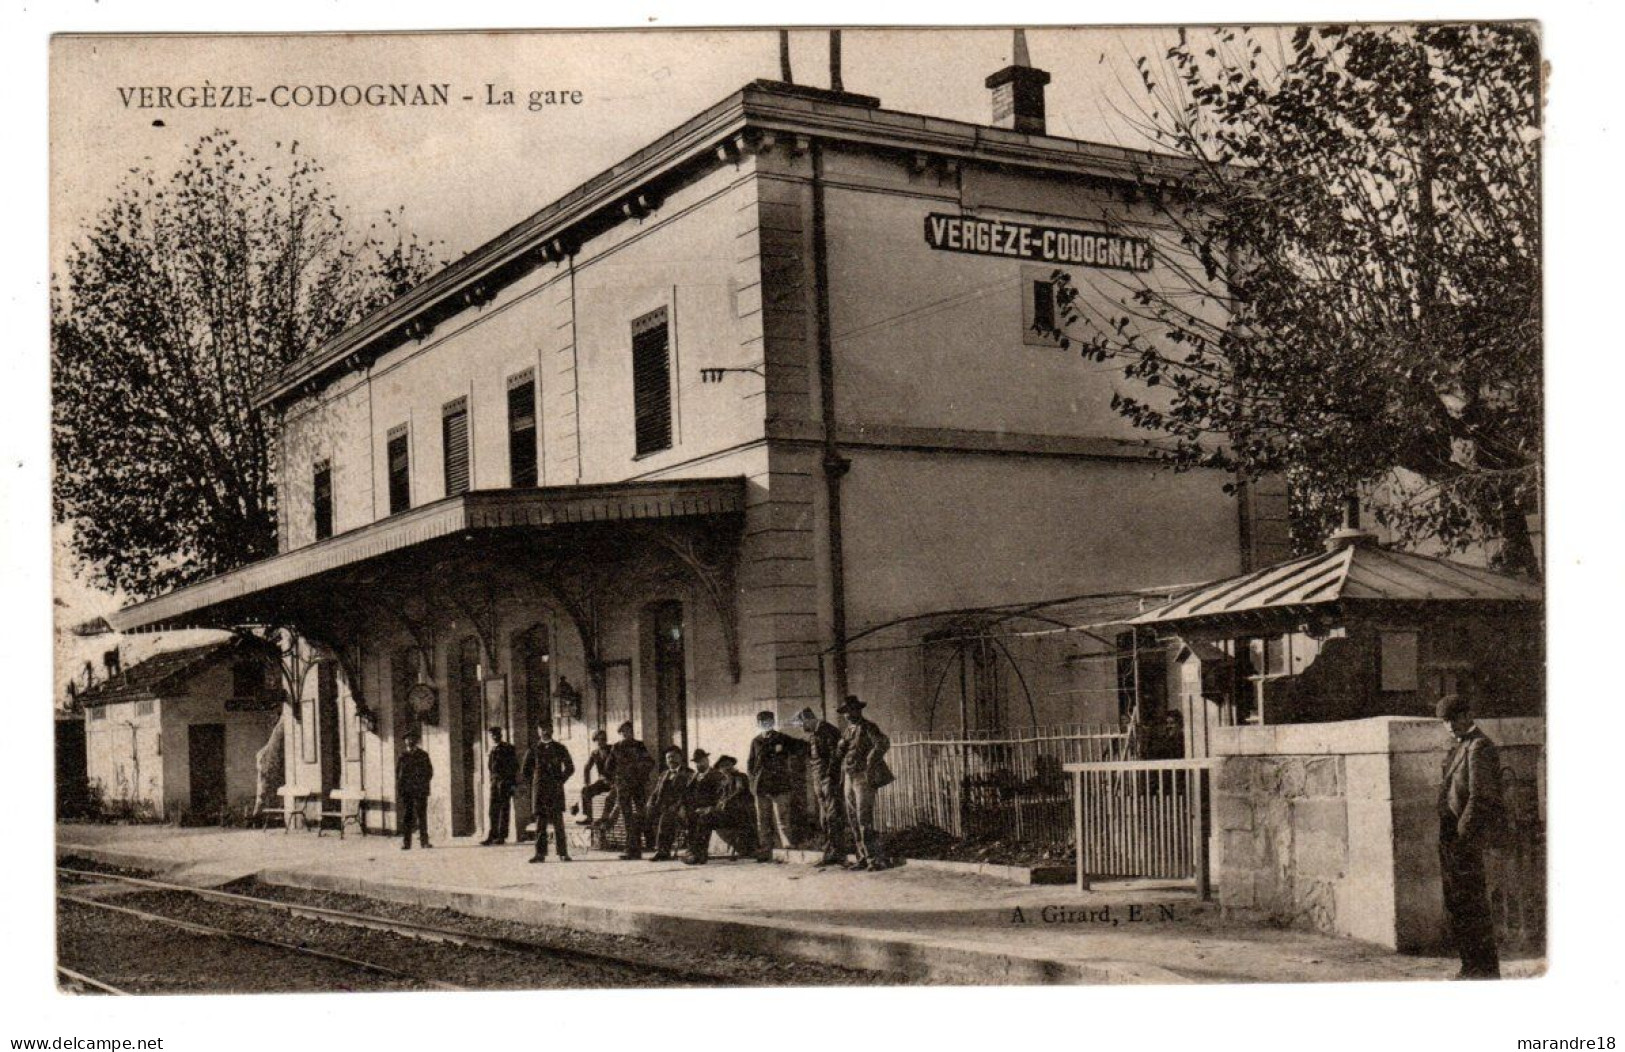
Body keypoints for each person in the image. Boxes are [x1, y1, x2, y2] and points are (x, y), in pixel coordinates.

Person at [1437, 694, 1504, 979]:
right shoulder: (1459, 747)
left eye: (1454, 719)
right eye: (1445, 721)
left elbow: (1480, 798)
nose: (1450, 726)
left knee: (1472, 905)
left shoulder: (1479, 746)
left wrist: (1461, 837)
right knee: (1458, 905)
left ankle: (1483, 969)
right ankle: (1470, 965)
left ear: (1467, 715)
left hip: (1465, 840)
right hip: (1451, 838)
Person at [833, 695, 893, 870]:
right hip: (848, 777)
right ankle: (862, 857)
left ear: (858, 710)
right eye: (845, 712)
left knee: (863, 817)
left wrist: (870, 758)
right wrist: (840, 746)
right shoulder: (847, 730)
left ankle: (873, 858)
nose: (848, 715)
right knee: (852, 817)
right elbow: (840, 753)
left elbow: (882, 743)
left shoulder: (868, 727)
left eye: (851, 710)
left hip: (863, 777)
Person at [795, 707, 848, 867]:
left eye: (802, 724)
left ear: (808, 719)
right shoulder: (814, 734)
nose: (801, 727)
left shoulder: (828, 730)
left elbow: (835, 755)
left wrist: (829, 776)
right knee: (824, 816)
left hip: (828, 778)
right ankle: (829, 851)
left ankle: (836, 852)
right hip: (818, 778)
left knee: (832, 814)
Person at [747, 709, 803, 861]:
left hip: (779, 785)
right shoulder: (756, 741)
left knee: (782, 817)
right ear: (758, 724)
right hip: (761, 786)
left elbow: (800, 747)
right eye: (762, 722)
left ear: (773, 722)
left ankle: (788, 848)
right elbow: (750, 764)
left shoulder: (782, 738)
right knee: (763, 820)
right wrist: (753, 783)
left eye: (769, 721)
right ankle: (765, 849)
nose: (766, 724)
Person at [519, 721, 575, 863]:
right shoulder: (533, 749)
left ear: (552, 730)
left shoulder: (560, 748)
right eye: (542, 729)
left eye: (548, 729)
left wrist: (560, 780)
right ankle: (540, 854)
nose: (545, 731)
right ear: (538, 731)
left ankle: (563, 853)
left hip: (555, 789)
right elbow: (525, 771)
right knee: (540, 823)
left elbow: (570, 767)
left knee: (558, 823)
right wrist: (534, 784)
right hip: (540, 791)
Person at [684, 755, 757, 865]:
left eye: (728, 765)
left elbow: (738, 792)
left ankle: (698, 854)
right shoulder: (724, 782)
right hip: (728, 815)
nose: (726, 768)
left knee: (706, 817)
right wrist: (710, 809)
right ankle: (698, 854)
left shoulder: (739, 777)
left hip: (740, 816)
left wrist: (715, 808)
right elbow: (720, 801)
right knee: (703, 817)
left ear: (732, 765)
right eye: (723, 766)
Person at [605, 720, 655, 859]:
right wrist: (615, 781)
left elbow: (650, 762)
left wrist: (642, 774)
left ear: (632, 732)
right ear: (620, 733)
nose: (626, 734)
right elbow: (608, 767)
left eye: (628, 731)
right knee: (627, 817)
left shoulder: (639, 746)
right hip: (623, 787)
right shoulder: (616, 748)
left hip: (638, 785)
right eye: (623, 732)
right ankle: (631, 849)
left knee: (641, 814)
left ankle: (648, 844)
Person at [645, 746, 695, 861]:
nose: (671, 760)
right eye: (668, 757)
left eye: (674, 757)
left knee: (666, 817)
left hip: (681, 809)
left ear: (680, 758)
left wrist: (677, 806)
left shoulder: (688, 773)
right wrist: (650, 802)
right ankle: (633, 850)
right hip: (661, 807)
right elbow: (656, 792)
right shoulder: (664, 774)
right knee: (637, 817)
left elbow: (687, 794)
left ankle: (663, 851)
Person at [481, 726, 519, 846]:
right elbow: (490, 767)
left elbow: (514, 767)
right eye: (492, 735)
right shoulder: (492, 750)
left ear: (501, 735)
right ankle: (492, 835)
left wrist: (512, 784)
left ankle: (502, 836)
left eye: (497, 734)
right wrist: (492, 781)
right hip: (494, 782)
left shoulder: (508, 748)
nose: (495, 737)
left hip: (505, 782)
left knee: (504, 809)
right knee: (493, 810)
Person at [395, 730, 433, 851]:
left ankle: (424, 841)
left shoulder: (423, 755)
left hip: (420, 790)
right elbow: (398, 773)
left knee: (422, 816)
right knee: (407, 816)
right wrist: (401, 788)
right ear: (405, 742)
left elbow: (429, 772)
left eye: (412, 739)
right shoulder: (402, 756)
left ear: (416, 741)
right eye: (407, 739)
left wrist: (422, 784)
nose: (410, 741)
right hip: (407, 791)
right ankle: (407, 843)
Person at [578, 729, 615, 826]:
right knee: (585, 791)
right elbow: (587, 767)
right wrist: (586, 783)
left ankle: (604, 818)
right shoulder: (595, 753)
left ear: (605, 740)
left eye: (602, 739)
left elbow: (620, 766)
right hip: (603, 782)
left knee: (609, 797)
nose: (600, 742)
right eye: (597, 740)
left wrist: (613, 780)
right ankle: (588, 817)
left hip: (615, 782)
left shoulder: (613, 750)